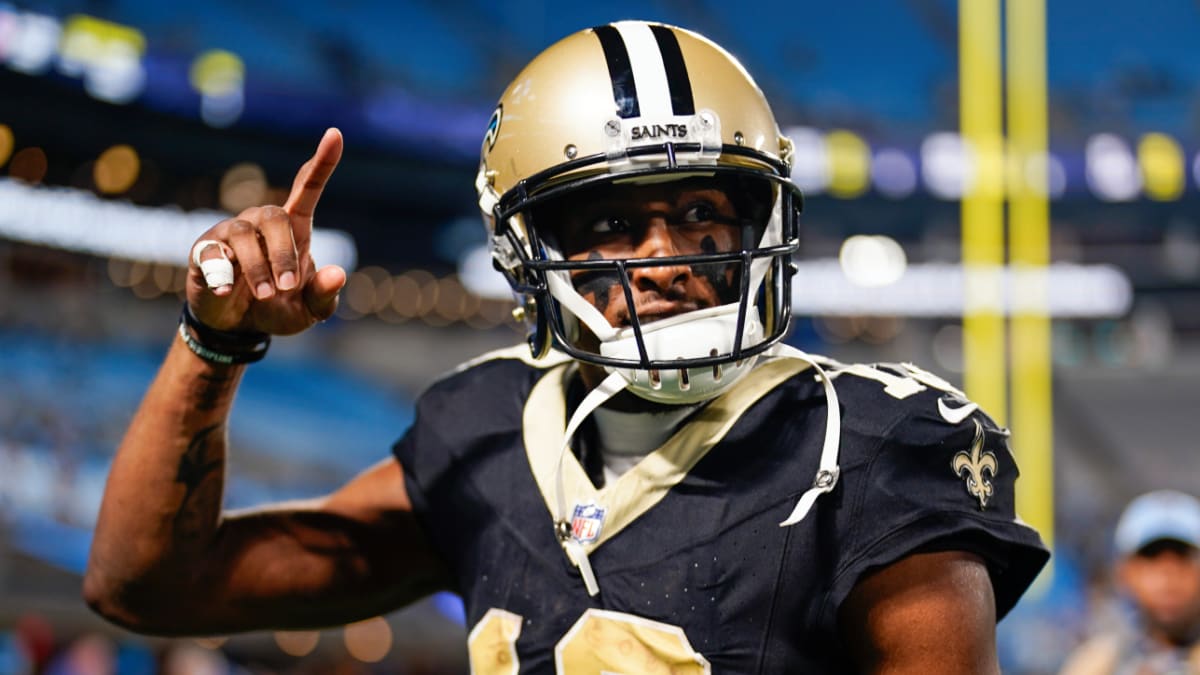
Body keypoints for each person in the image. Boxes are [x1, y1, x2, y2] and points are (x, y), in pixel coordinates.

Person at [83, 20, 1048, 672]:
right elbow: (150, 584)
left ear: (762, 219)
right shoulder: (486, 428)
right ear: (529, 253)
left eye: (703, 210)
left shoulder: (870, 444)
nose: (664, 256)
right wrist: (211, 343)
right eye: (612, 226)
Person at [1059, 490, 1200, 674]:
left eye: (1183, 559)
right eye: (1152, 558)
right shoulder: (1099, 663)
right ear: (1125, 572)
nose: (1168, 577)